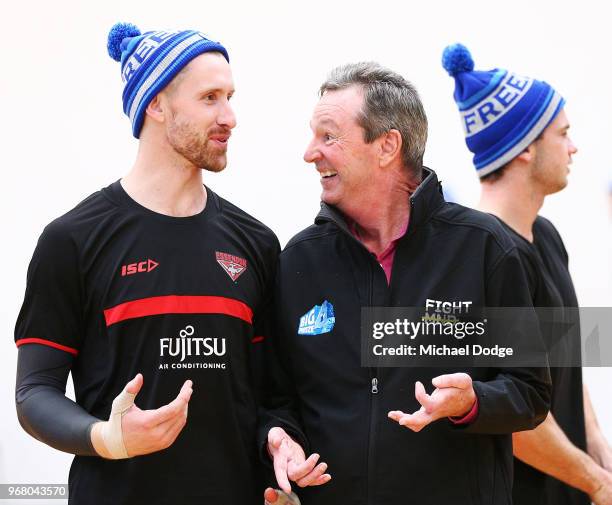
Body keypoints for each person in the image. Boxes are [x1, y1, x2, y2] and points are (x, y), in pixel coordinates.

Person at [14, 22, 293, 505]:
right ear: (157, 105)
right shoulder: (73, 239)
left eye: (230, 96)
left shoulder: (256, 242)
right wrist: (107, 437)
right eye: (210, 97)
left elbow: (271, 396)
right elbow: (35, 392)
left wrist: (280, 439)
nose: (230, 116)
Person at [262, 61, 552, 505]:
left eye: (329, 136)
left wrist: (473, 401)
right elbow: (276, 398)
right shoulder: (299, 260)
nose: (310, 152)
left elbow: (531, 392)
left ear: (387, 146)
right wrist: (280, 438)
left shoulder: (485, 248)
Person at [442, 43, 612, 505]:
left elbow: (565, 357)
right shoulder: (483, 254)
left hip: (573, 485)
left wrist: (596, 444)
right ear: (524, 149)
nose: (573, 146)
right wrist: (595, 482)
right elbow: (512, 418)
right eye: (563, 133)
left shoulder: (547, 236)